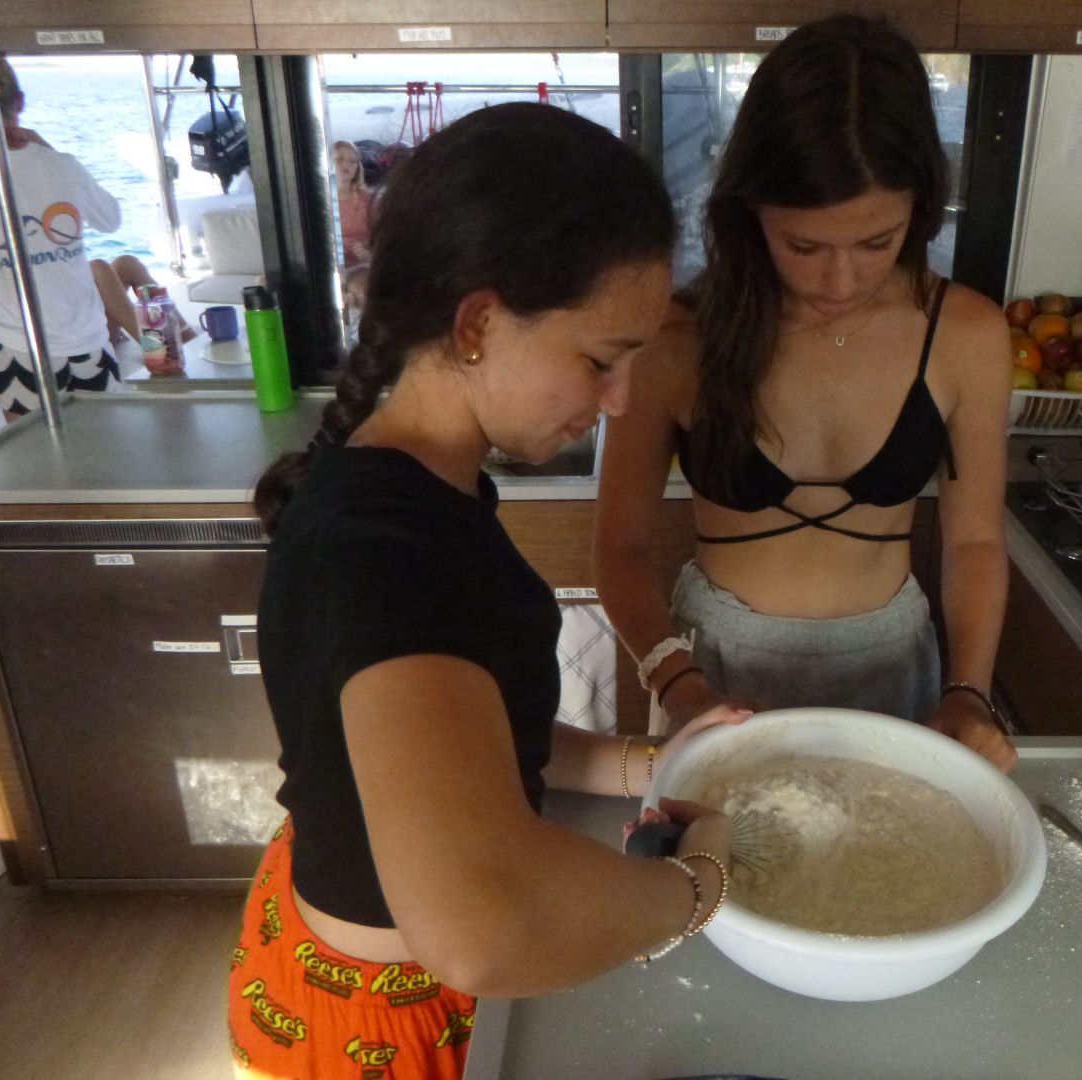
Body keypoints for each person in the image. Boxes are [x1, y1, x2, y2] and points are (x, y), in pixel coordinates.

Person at [232, 102, 747, 1080]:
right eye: (601, 360)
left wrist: (649, 764)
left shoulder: (420, 485)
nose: (620, 402)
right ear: (477, 323)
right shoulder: (384, 545)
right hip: (385, 1017)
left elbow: (467, 732)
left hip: (350, 961)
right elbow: (480, 929)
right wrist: (697, 888)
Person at [593, 15, 1018, 772]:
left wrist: (968, 691)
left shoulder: (966, 334)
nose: (841, 281)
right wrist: (678, 682)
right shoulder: (678, 337)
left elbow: (975, 542)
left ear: (920, 211)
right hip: (715, 666)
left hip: (894, 662)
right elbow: (618, 549)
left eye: (877, 243)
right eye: (805, 246)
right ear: (750, 212)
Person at [0, 54, 124, 421]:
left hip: (16, 347)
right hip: (88, 342)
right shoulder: (62, 165)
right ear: (20, 101)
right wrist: (52, 154)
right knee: (103, 451)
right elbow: (110, 220)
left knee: (36, 454)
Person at [333, 139, 378, 269]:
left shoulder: (369, 200)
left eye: (353, 161)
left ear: (357, 168)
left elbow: (381, 233)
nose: (346, 165)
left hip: (363, 266)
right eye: (339, 159)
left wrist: (368, 251)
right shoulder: (321, 201)